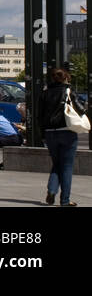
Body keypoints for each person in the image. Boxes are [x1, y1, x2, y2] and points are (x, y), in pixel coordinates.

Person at [39, 68, 85, 206]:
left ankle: (52, 190)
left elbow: (39, 115)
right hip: (67, 132)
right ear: (66, 78)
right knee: (66, 166)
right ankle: (65, 200)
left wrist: (43, 134)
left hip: (50, 133)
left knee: (57, 164)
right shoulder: (68, 91)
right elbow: (81, 109)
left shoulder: (45, 93)